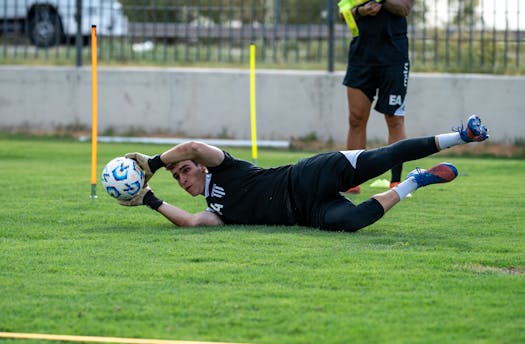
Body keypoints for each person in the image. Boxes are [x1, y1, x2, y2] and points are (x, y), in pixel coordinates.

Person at [119, 115, 488, 232]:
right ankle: (416, 180)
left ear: (200, 166)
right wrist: (148, 199)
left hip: (308, 176)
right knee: (354, 222)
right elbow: (191, 223)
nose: (183, 178)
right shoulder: (216, 212)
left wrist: (152, 164)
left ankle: (461, 135)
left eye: (184, 170)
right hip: (307, 214)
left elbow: (194, 146)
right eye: (177, 177)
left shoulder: (222, 166)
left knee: (384, 155)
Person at [342, 0, 415, 193]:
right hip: (361, 57)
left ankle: (396, 184)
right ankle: (352, 181)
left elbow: (404, 8)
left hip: (394, 58)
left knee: (395, 120)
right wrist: (361, 10)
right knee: (355, 118)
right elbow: (343, 12)